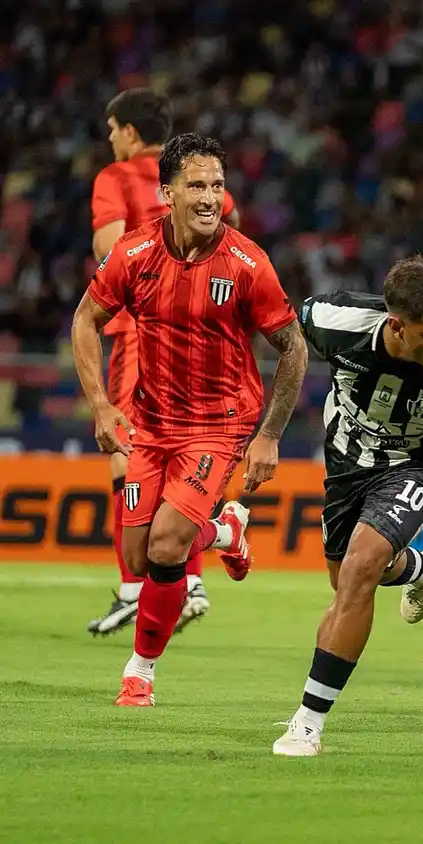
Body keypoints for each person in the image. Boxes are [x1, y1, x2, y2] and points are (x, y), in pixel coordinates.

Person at [72, 132, 306, 707]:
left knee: (168, 545)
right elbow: (85, 321)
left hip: (219, 423)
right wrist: (102, 404)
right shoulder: (132, 254)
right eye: (196, 185)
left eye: (217, 186)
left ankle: (140, 672)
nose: (209, 197)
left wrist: (269, 437)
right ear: (167, 191)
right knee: (136, 556)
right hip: (150, 423)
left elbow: (293, 348)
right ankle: (226, 530)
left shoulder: (248, 263)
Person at [271, 259, 423, 757]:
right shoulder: (332, 319)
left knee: (359, 569)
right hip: (346, 461)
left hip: (417, 466)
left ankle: (308, 722)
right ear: (397, 324)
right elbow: (280, 334)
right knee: (343, 576)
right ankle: (413, 567)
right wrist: (268, 431)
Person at [86, 89, 241, 637]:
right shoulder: (197, 176)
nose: (110, 139)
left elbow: (112, 250)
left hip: (140, 333)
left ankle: (140, 587)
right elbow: (232, 228)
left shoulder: (118, 176)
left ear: (129, 131)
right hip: (203, 336)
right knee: (185, 449)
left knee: (128, 453)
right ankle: (189, 578)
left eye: (112, 129)